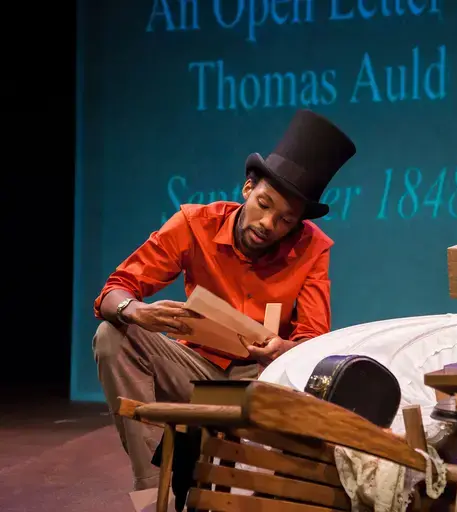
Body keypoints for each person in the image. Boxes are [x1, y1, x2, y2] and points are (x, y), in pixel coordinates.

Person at [92, 109, 357, 492]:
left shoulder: (312, 247)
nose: (269, 224)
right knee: (111, 336)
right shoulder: (195, 224)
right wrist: (137, 312)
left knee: (321, 378)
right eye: (265, 205)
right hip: (194, 369)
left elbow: (313, 339)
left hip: (261, 378)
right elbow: (114, 290)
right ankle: (155, 487)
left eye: (285, 220)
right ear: (248, 189)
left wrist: (284, 349)